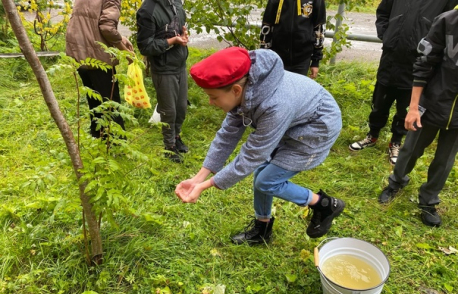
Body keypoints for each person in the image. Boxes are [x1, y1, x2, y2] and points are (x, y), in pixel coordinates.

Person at [175, 47, 345, 244]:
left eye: (214, 97)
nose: (211, 103)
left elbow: (252, 156)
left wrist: (206, 185)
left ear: (236, 90)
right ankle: (262, 229)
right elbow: (227, 135)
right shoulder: (248, 87)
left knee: (266, 180)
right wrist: (198, 177)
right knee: (262, 175)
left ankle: (324, 204)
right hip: (293, 123)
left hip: (316, 130)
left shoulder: (275, 105)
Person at [349, 0, 458, 165]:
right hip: (391, 56)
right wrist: (386, 36)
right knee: (380, 102)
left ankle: (396, 142)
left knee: (405, 107)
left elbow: (445, 25)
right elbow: (383, 13)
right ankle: (372, 135)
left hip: (416, 61)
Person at [378, 7, 458, 227]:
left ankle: (428, 201)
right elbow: (424, 64)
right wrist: (414, 107)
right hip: (432, 103)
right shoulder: (447, 21)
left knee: (444, 161)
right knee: (410, 149)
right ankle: (396, 183)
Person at [66, 0, 134, 139]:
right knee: (110, 102)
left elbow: (93, 23)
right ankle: (117, 143)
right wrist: (125, 51)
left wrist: (120, 38)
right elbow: (107, 28)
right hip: (98, 56)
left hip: (78, 51)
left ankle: (98, 135)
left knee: (94, 99)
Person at [137, 0, 189, 163]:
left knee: (181, 108)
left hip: (180, 65)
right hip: (163, 68)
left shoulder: (176, 4)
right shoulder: (147, 10)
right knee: (169, 110)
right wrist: (172, 41)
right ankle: (169, 147)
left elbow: (179, 28)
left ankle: (176, 136)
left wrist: (184, 36)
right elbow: (145, 46)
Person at [260, 0, 325, 79]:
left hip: (302, 57)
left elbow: (319, 27)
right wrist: (264, 54)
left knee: (297, 89)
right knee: (278, 89)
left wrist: (315, 61)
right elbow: (267, 24)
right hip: (278, 56)